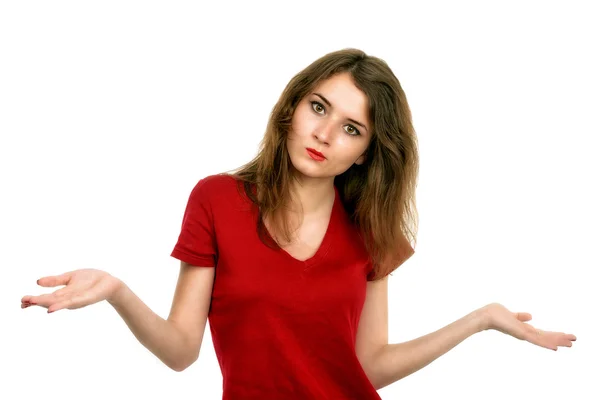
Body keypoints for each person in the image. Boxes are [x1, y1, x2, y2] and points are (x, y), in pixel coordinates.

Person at [21, 48, 576, 399]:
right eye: (318, 107)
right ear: (292, 107)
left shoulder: (370, 231)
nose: (325, 134)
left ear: (364, 154)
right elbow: (181, 351)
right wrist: (117, 291)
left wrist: (478, 320)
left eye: (352, 128)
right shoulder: (216, 199)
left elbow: (369, 367)